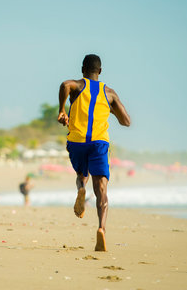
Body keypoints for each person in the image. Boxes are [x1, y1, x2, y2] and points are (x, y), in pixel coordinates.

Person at [58, 54, 131, 251]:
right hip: (99, 143)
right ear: (100, 71)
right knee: (102, 190)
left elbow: (65, 84)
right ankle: (101, 229)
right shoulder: (109, 93)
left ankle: (81, 189)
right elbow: (126, 121)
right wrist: (110, 109)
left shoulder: (78, 86)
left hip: (76, 142)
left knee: (82, 176)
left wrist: (62, 109)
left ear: (83, 69)